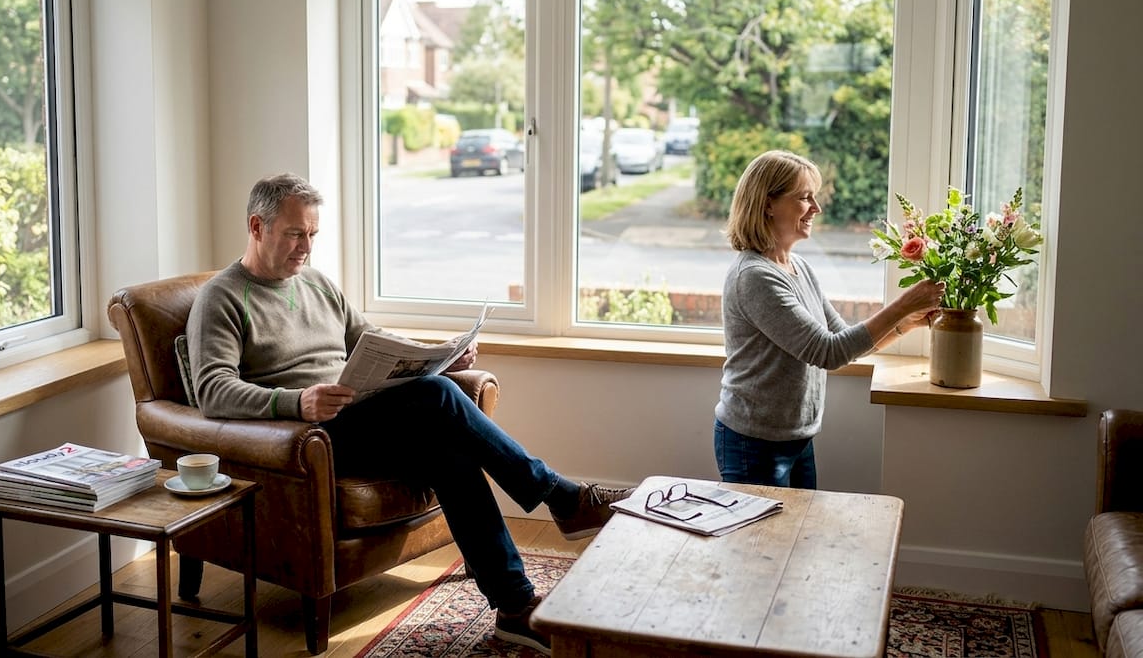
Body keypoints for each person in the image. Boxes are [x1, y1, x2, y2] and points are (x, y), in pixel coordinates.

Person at [186, 172, 633, 655]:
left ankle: (514, 605)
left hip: (360, 418)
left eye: (313, 234)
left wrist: (436, 356)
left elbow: (369, 338)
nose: (307, 247)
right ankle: (562, 497)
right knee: (436, 396)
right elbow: (212, 391)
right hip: (305, 439)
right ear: (257, 226)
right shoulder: (222, 297)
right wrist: (296, 401)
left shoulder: (315, 282)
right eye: (296, 234)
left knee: (450, 452)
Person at [715, 150, 945, 489]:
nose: (816, 208)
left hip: (795, 438)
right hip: (754, 444)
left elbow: (844, 341)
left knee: (799, 525)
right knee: (766, 528)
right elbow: (829, 352)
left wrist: (905, 324)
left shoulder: (799, 268)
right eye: (804, 197)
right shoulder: (754, 277)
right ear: (768, 204)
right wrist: (901, 305)